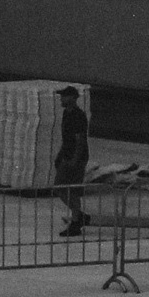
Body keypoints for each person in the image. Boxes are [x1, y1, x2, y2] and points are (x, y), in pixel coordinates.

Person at [53, 83, 91, 237]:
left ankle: (76, 220)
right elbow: (66, 138)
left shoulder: (78, 116)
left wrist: (75, 160)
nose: (61, 99)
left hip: (76, 158)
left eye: (64, 96)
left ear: (73, 98)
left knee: (71, 190)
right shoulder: (66, 114)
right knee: (61, 187)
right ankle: (79, 215)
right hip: (67, 156)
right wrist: (60, 155)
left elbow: (80, 140)